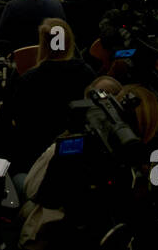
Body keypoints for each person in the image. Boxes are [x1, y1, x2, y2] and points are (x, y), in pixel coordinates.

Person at [5, 18, 97, 172]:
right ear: (69, 43)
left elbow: (17, 120)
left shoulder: (29, 79)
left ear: (43, 45)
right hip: (78, 160)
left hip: (34, 162)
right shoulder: (87, 74)